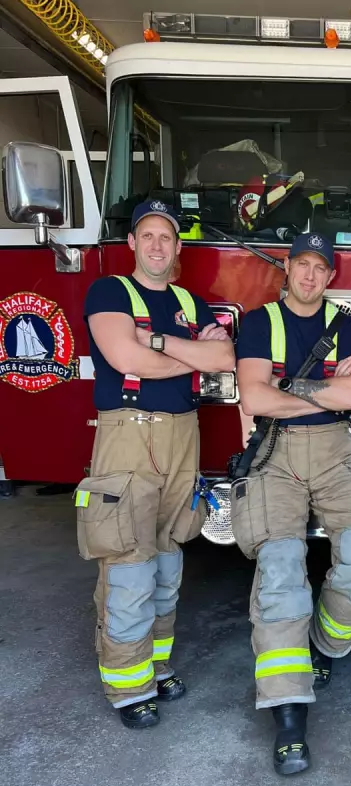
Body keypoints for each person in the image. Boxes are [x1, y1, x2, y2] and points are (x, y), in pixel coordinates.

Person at [75, 200, 234, 729]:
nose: (158, 245)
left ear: (178, 247)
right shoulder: (109, 292)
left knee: (168, 564)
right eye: (148, 236)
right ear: (133, 245)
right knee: (129, 565)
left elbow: (223, 359)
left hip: (182, 439)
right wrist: (188, 354)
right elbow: (127, 360)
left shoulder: (190, 300)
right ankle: (127, 684)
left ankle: (156, 663)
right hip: (129, 435)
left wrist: (160, 343)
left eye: (167, 237)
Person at [231, 232, 351, 777]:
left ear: (330, 277)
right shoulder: (257, 322)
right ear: (288, 270)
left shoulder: (348, 324)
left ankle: (322, 645)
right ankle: (288, 712)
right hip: (275, 452)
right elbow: (253, 398)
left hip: (337, 451)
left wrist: (286, 387)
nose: (311, 275)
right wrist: (318, 386)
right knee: (280, 569)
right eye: (303, 265)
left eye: (321, 267)